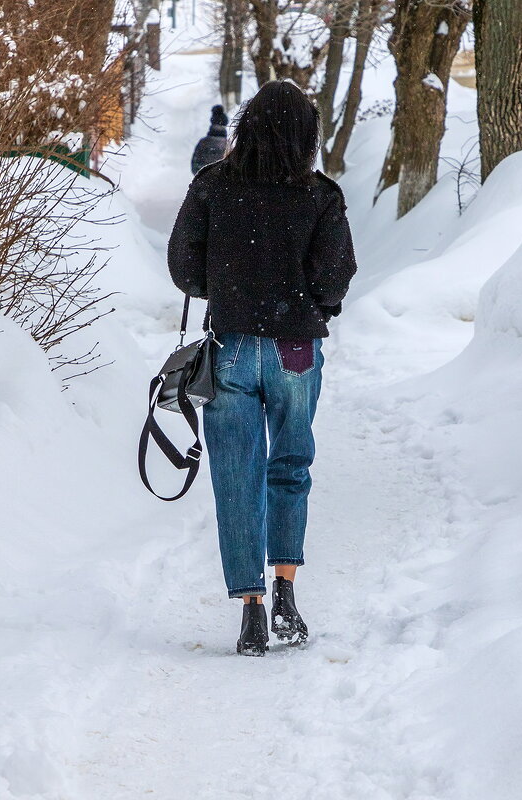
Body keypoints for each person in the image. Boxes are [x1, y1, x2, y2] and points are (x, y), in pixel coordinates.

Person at [167, 80, 357, 657]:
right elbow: (335, 275)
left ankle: (249, 608)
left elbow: (183, 264)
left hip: (230, 343)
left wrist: (220, 289)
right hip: (295, 347)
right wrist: (313, 307)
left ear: (246, 126)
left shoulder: (213, 186)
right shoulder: (320, 195)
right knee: (290, 464)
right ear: (306, 135)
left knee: (235, 473)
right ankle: (285, 592)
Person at [189, 104, 230, 174]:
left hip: (205, 181)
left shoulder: (203, 143)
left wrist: (204, 176)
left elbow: (195, 167)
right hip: (222, 182)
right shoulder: (229, 145)